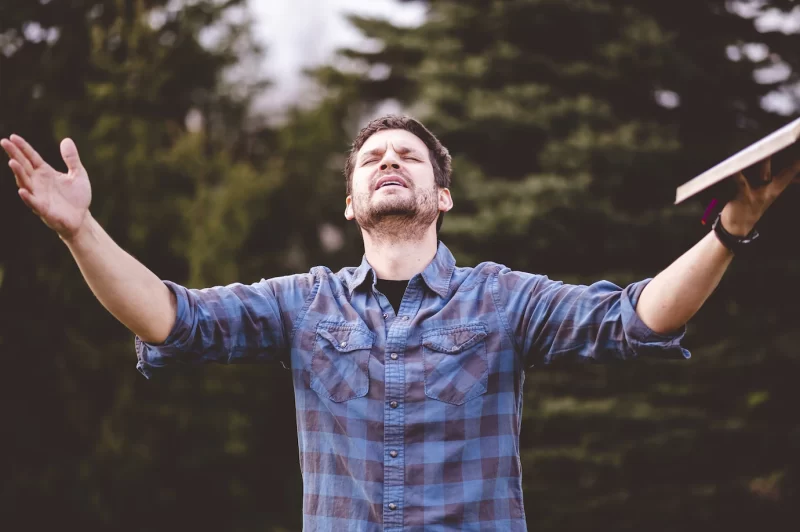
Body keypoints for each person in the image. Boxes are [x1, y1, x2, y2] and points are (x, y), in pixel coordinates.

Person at [3, 114, 798, 531]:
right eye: (372, 157)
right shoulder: (301, 302)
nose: (390, 160)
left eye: (409, 156)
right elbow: (171, 321)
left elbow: (637, 322)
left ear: (441, 196)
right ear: (350, 202)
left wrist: (729, 230)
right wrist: (80, 229)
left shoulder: (502, 299)